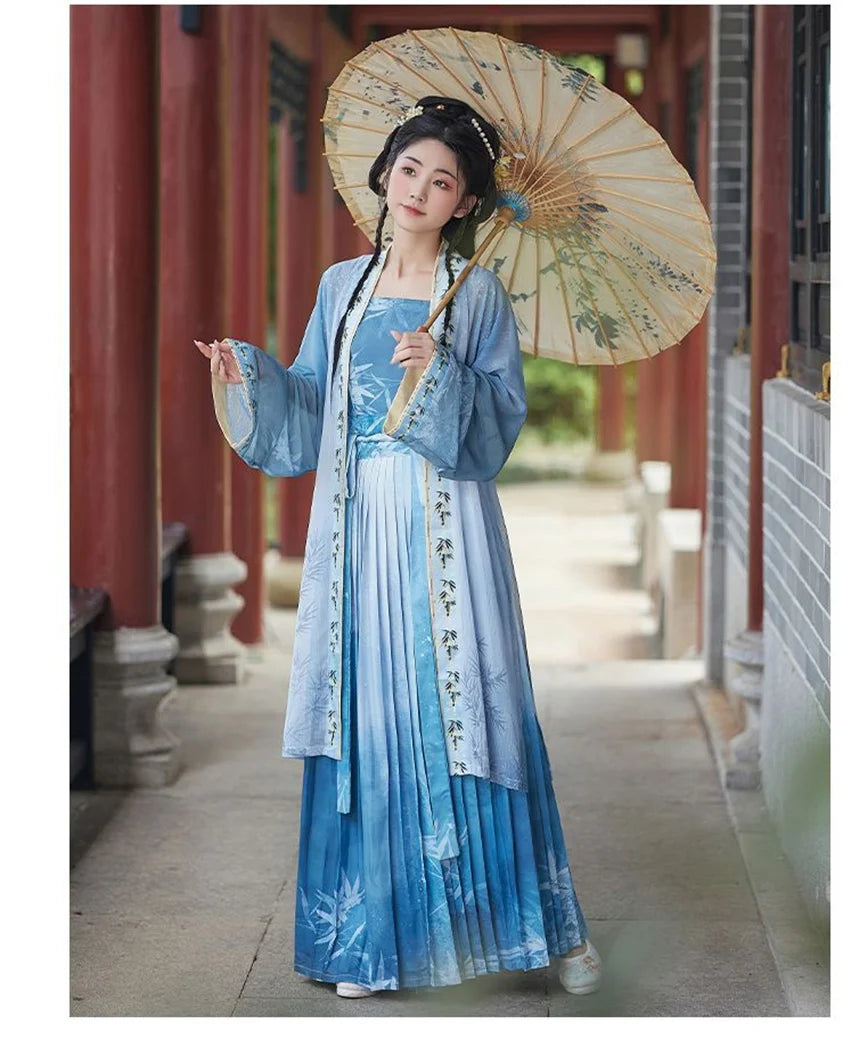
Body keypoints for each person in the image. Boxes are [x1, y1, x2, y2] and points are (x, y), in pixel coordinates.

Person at [194, 96, 602, 1001]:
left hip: (446, 527)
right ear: (384, 175)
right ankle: (368, 943)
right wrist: (248, 373)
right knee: (369, 715)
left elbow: (499, 425)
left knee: (477, 713)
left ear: (466, 203)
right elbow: (309, 402)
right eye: (409, 169)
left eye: (443, 180)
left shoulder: (478, 294)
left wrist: (440, 369)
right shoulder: (341, 287)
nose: (419, 189)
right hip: (356, 531)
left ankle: (545, 930)